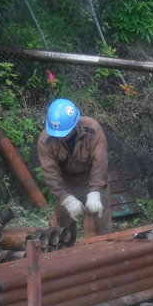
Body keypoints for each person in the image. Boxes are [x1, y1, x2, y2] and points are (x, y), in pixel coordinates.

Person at [37, 98, 112, 243]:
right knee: (65, 231)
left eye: (65, 133)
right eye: (57, 134)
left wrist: (95, 190)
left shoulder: (93, 129)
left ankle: (105, 257)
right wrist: (65, 198)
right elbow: (49, 172)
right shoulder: (45, 140)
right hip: (67, 184)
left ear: (75, 124)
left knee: (103, 227)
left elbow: (100, 161)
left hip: (93, 178)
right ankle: (70, 259)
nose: (61, 137)